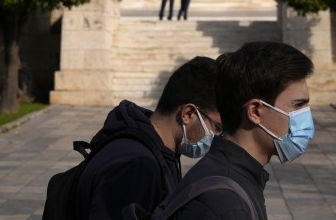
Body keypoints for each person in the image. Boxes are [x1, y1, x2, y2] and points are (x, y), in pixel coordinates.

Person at [172, 42, 315, 219]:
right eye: (298, 105)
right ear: (255, 111)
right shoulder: (228, 205)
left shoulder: (229, 176)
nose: (305, 116)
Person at [73, 56, 223, 220]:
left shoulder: (157, 151)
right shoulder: (137, 165)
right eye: (216, 127)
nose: (215, 136)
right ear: (188, 114)